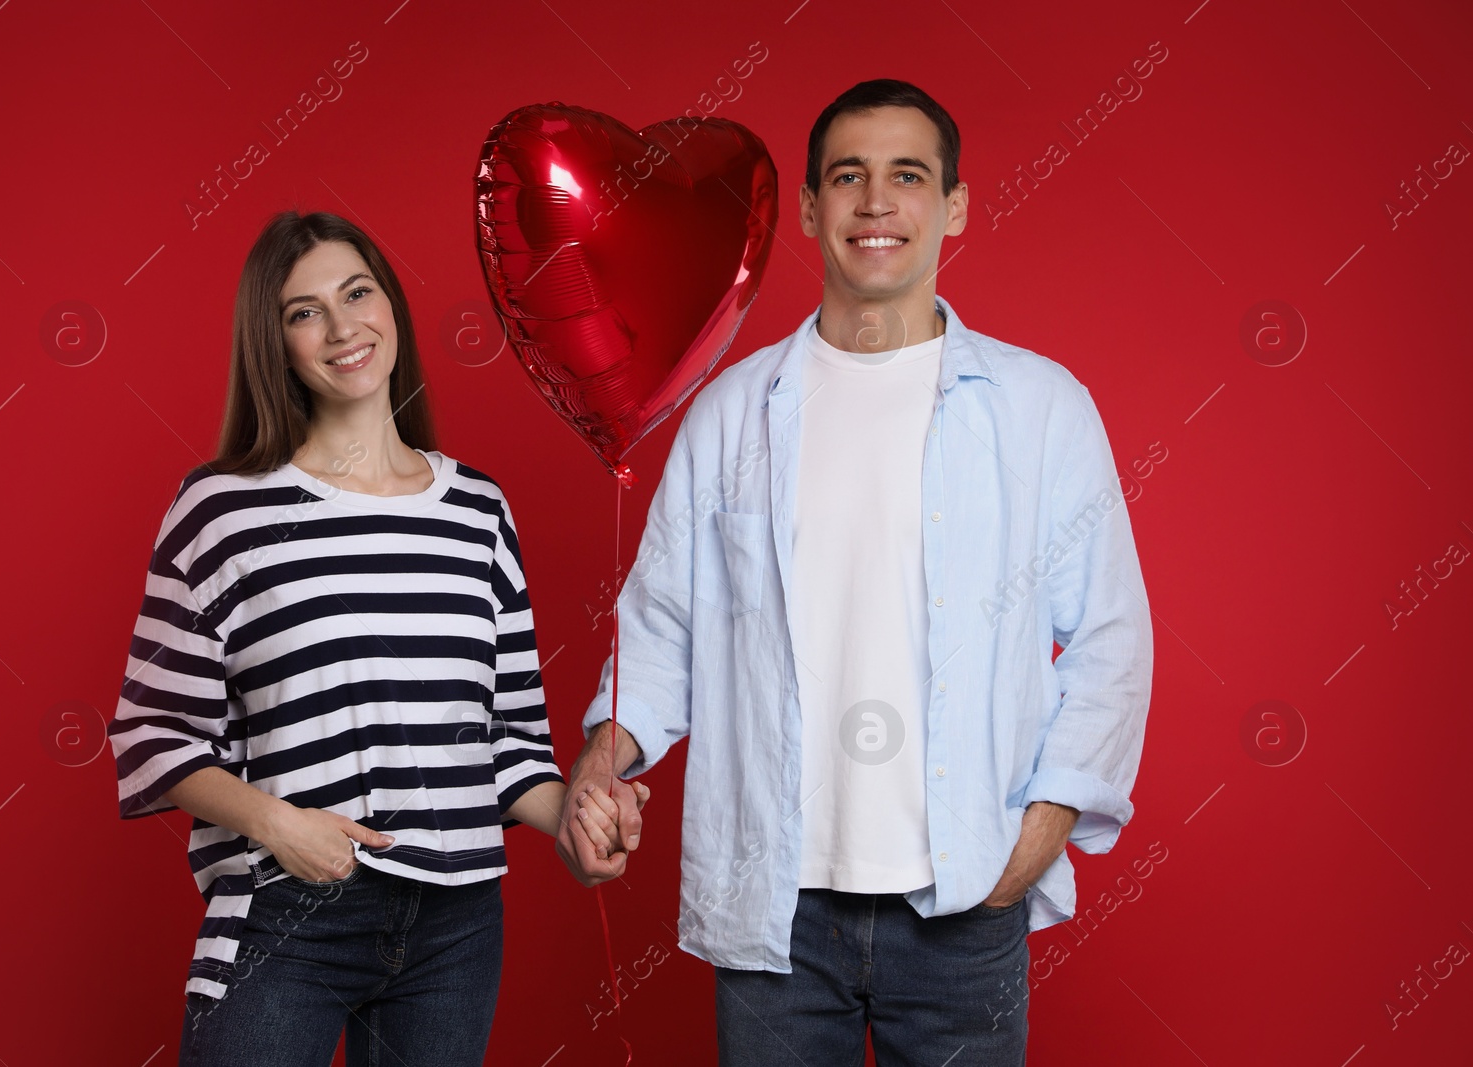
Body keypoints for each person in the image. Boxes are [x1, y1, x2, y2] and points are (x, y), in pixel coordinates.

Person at [555, 80, 1154, 1065]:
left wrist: (1037, 836)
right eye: (848, 177)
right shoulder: (731, 414)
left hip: (964, 900)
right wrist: (599, 762)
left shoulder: (1041, 409)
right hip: (776, 914)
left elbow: (1108, 639)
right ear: (807, 208)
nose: (875, 202)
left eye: (906, 176)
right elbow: (662, 626)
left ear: (953, 206)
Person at [107, 210, 645, 1067]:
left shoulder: (478, 511)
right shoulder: (222, 510)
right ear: (275, 343)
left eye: (358, 292)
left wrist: (576, 819)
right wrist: (279, 824)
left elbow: (506, 745)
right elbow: (152, 733)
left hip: (456, 924)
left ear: (391, 305)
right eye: (303, 310)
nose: (342, 325)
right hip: (289, 908)